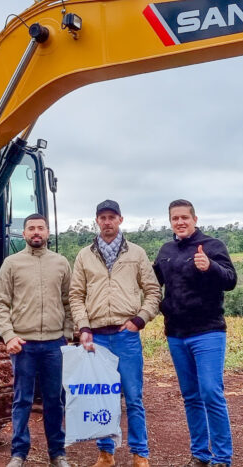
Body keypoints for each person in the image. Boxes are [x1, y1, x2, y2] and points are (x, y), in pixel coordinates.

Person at [70, 199, 161, 467]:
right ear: (96, 221)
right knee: (102, 396)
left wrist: (140, 319)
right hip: (96, 337)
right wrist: (83, 327)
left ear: (120, 219)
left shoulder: (136, 253)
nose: (107, 222)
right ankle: (105, 453)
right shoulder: (84, 255)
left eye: (112, 217)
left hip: (126, 336)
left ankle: (140, 454)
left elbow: (153, 290)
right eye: (103, 217)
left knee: (134, 397)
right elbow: (76, 295)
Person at [152, 199, 237, 467]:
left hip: (207, 331)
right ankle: (200, 455)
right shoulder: (165, 251)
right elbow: (151, 283)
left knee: (211, 392)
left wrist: (209, 266)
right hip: (176, 333)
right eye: (175, 218)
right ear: (170, 222)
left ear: (195, 219)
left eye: (184, 217)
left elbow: (231, 280)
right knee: (190, 396)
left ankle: (222, 458)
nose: (180, 222)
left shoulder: (213, 247)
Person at [0, 213, 74, 467]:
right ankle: (18, 453)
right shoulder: (12, 263)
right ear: (24, 233)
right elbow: (1, 303)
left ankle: (57, 453)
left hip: (54, 344)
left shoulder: (61, 263)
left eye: (40, 228)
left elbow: (68, 302)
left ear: (48, 232)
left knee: (54, 400)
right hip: (23, 345)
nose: (36, 232)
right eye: (31, 228)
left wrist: (67, 335)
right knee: (22, 400)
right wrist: (9, 336)